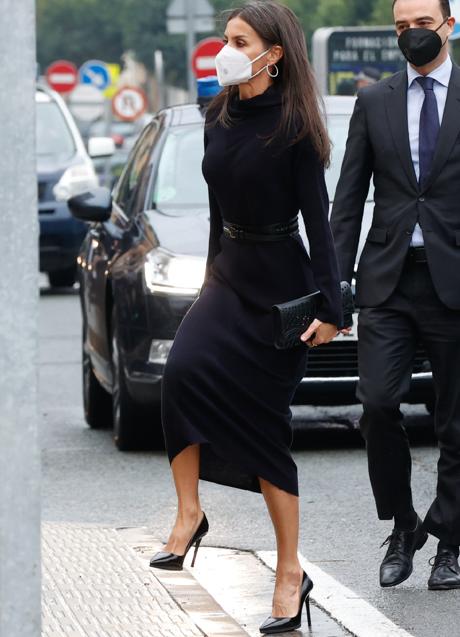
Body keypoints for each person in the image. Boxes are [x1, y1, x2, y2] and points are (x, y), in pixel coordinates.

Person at [150, 1, 342, 632]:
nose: (224, 48)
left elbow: (320, 224)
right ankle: (189, 515)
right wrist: (209, 276)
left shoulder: (295, 128)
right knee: (180, 374)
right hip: (227, 276)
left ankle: (291, 573)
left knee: (265, 431)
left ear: (273, 53)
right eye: (223, 36)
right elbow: (214, 209)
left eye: (238, 39)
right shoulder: (217, 115)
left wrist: (335, 307)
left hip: (280, 286)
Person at [331, 0, 460, 591]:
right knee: (378, 404)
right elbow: (349, 195)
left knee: (455, 420)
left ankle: (451, 541)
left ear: (450, 25)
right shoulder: (374, 99)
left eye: (422, 24)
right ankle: (404, 525)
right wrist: (336, 281)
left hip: (454, 279)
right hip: (386, 278)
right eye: (402, 26)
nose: (411, 35)